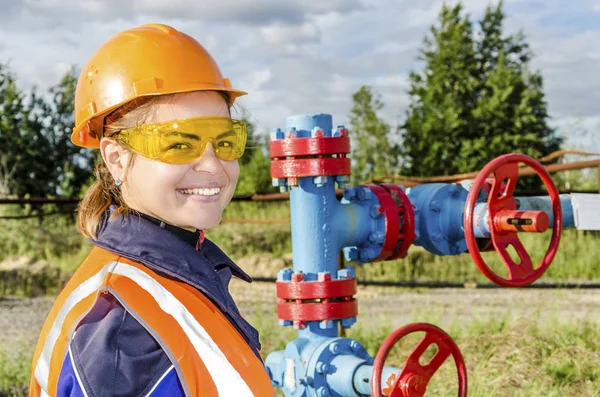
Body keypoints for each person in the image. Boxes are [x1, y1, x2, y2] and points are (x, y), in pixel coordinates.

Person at [29, 23, 275, 397]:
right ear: (116, 159)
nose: (213, 165)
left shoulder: (175, 274)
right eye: (179, 143)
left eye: (225, 141)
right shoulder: (123, 334)